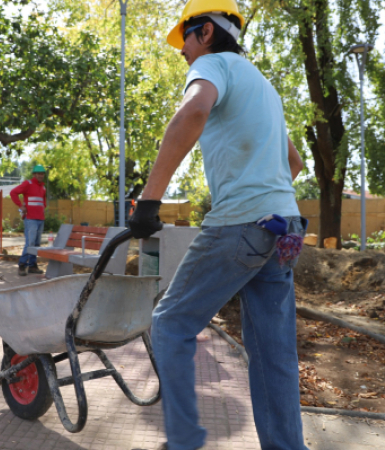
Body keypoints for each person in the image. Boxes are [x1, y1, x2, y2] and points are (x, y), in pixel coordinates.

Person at [128, 1, 308, 449]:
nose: (182, 51)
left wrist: (149, 200)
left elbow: (193, 112)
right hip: (285, 227)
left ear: (205, 32)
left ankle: (184, 441)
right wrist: (266, 195)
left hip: (241, 224)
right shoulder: (262, 85)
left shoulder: (212, 64)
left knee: (169, 323)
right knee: (273, 355)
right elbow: (295, 162)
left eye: (185, 39)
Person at [10, 165, 47, 276]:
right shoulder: (28, 184)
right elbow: (13, 193)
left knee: (36, 244)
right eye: (38, 173)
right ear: (34, 174)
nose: (40, 175)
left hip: (40, 219)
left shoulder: (43, 188)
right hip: (30, 219)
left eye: (42, 174)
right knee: (30, 243)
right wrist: (20, 205)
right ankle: (22, 265)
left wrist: (42, 209)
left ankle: (32, 266)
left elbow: (43, 202)